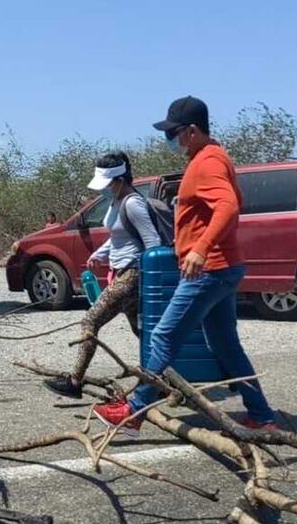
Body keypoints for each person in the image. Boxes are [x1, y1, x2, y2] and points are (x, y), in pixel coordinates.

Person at [94, 96, 277, 434]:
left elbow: (228, 206)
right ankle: (262, 416)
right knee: (224, 344)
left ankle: (134, 410)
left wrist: (201, 247)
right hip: (224, 267)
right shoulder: (212, 157)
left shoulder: (207, 162)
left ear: (191, 131)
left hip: (210, 269)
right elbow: (237, 199)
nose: (170, 139)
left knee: (164, 335)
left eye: (173, 132)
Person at [43, 152, 162, 399]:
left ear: (119, 179)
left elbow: (153, 243)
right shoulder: (116, 201)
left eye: (107, 184)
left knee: (90, 321)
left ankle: (75, 381)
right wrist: (99, 253)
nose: (104, 189)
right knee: (143, 331)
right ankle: (162, 379)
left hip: (132, 274)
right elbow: (118, 238)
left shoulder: (133, 203)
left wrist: (148, 279)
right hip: (121, 272)